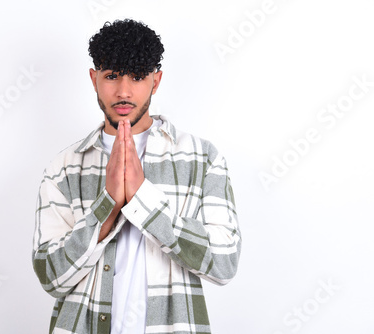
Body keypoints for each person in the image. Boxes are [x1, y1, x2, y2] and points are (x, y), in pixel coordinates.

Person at [32, 19, 241, 334]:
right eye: (112, 76)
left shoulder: (202, 159)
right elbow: (51, 276)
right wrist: (109, 206)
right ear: (94, 79)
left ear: (155, 82)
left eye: (138, 77)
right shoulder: (63, 167)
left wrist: (142, 198)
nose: (124, 91)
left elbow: (224, 265)